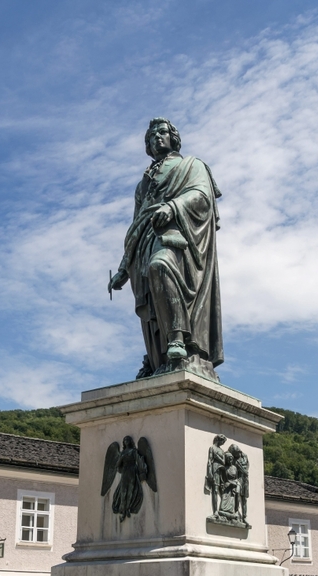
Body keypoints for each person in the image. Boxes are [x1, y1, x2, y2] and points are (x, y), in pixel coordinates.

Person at [109, 118, 224, 380]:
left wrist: (172, 207)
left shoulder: (191, 165)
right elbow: (135, 226)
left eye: (162, 132)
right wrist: (123, 269)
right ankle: (158, 357)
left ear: (174, 138)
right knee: (152, 294)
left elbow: (202, 196)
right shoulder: (143, 183)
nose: (157, 137)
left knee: (161, 265)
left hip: (178, 235)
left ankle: (177, 338)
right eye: (152, 135)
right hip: (145, 241)